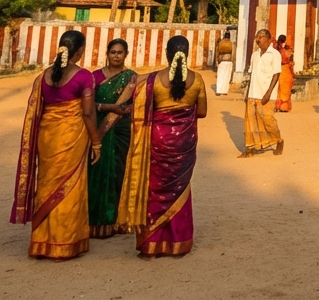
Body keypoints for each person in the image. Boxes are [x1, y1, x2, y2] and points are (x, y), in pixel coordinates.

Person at [10, 29, 101, 259]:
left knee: (47, 184)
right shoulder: (84, 76)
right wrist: (96, 142)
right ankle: (65, 241)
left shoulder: (44, 76)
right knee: (71, 185)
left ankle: (42, 242)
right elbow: (88, 113)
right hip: (71, 136)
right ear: (80, 50)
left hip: (47, 136)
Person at [118, 35, 208, 257]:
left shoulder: (153, 80)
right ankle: (178, 243)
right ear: (187, 54)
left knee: (155, 189)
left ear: (167, 54)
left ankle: (151, 244)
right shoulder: (197, 80)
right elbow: (202, 112)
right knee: (180, 189)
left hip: (158, 141)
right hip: (184, 143)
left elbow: (138, 106)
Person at [88, 38, 137, 238]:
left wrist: (121, 110)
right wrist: (109, 107)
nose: (116, 56)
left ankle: (117, 220)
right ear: (107, 54)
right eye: (113, 52)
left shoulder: (131, 78)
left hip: (121, 129)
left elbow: (135, 105)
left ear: (126, 54)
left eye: (120, 52)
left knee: (119, 170)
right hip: (98, 127)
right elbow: (87, 104)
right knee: (96, 170)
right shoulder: (94, 77)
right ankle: (94, 221)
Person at [242, 29, 284, 156]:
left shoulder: (274, 54)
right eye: (257, 36)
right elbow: (252, 74)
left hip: (266, 93)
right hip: (253, 92)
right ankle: (250, 148)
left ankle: (278, 140)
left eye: (261, 36)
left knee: (268, 120)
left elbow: (276, 74)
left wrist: (268, 93)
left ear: (268, 39)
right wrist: (247, 93)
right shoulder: (255, 55)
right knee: (251, 121)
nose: (257, 39)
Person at [274, 34, 294, 113]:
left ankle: (277, 106)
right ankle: (284, 107)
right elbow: (288, 60)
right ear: (285, 40)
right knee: (285, 89)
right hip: (286, 71)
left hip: (277, 70)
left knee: (278, 89)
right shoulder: (286, 50)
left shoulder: (276, 49)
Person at [214, 31, 234, 96]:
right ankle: (224, 91)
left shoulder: (220, 43)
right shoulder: (231, 44)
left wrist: (217, 61)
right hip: (229, 61)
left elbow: (217, 52)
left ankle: (218, 91)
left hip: (221, 61)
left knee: (220, 76)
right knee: (227, 77)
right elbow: (233, 54)